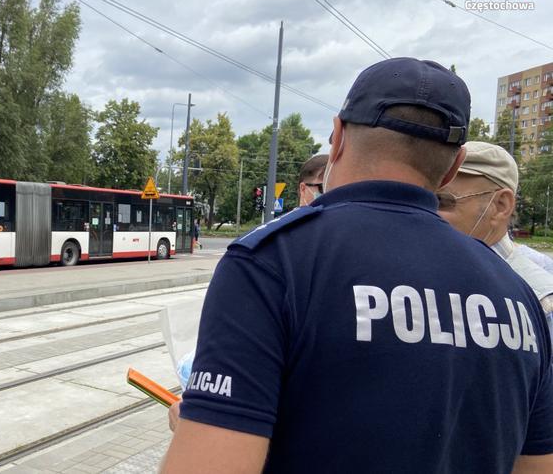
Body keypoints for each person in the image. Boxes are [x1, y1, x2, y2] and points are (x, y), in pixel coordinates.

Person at [162, 58, 553, 473]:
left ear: (338, 138)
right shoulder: (517, 297)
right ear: (452, 167)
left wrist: (198, 425)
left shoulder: (271, 264)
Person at [437, 140, 553, 342]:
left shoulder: (541, 300)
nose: (427, 212)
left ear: (501, 206)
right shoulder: (426, 270)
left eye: (443, 201)